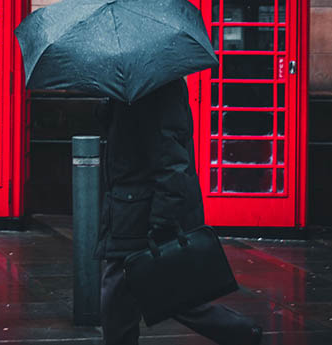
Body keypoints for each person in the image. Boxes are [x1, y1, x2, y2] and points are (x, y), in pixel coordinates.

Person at [95, 78, 262, 345]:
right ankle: (242, 333)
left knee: (124, 295)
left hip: (142, 213)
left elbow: (172, 163)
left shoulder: (156, 88)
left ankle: (241, 332)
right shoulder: (129, 86)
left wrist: (161, 223)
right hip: (128, 209)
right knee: (167, 295)